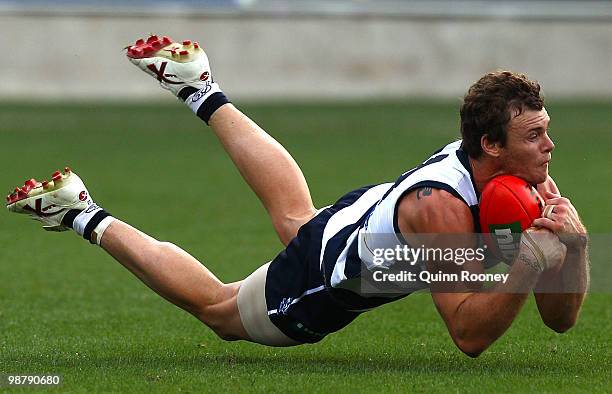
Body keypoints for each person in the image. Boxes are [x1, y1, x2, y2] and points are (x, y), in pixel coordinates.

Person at [6, 35, 589, 357]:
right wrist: (527, 260)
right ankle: (80, 210)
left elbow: (557, 321)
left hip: (371, 221)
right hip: (347, 262)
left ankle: (198, 87)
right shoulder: (441, 210)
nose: (549, 147)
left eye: (545, 131)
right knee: (222, 311)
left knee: (297, 219)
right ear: (490, 144)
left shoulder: (524, 181)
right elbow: (468, 334)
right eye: (534, 135)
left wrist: (575, 253)